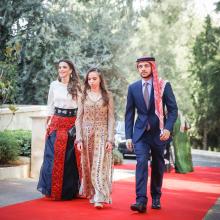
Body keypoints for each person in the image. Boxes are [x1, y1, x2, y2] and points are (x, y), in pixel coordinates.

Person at [125, 56, 178, 213]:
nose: (143, 69)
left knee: (157, 165)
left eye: (146, 66)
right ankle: (140, 200)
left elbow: (173, 110)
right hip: (140, 133)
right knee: (141, 163)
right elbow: (129, 114)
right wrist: (129, 136)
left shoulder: (163, 86)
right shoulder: (133, 88)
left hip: (159, 133)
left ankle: (156, 196)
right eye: (140, 66)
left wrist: (168, 129)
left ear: (152, 67)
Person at [37, 59, 81, 200]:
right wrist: (47, 122)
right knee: (52, 157)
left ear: (70, 70)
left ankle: (68, 192)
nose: (61, 69)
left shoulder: (77, 87)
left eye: (64, 67)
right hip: (56, 123)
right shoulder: (54, 85)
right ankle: (52, 190)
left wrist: (79, 126)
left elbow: (81, 108)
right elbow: (50, 105)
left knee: (69, 160)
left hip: (71, 125)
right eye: (60, 67)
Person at [75, 67, 115, 209]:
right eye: (89, 79)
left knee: (99, 165)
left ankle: (99, 196)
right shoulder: (83, 96)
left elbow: (111, 119)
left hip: (102, 134)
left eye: (94, 78)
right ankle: (92, 193)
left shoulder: (107, 96)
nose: (91, 81)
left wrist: (110, 139)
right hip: (86, 135)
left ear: (100, 79)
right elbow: (78, 119)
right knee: (88, 165)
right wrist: (78, 139)